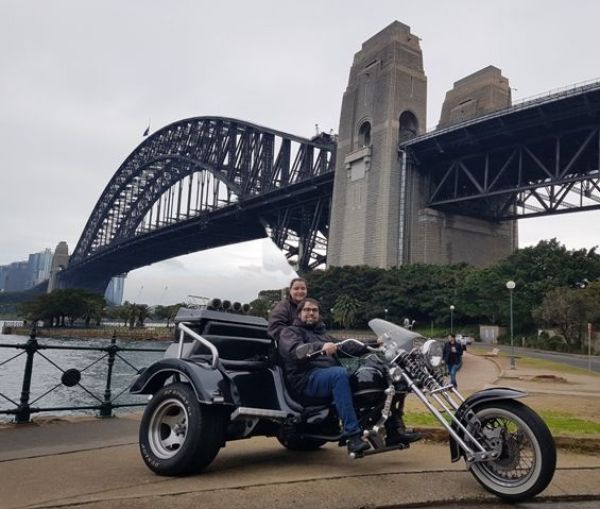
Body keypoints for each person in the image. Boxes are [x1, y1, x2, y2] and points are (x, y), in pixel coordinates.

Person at [278, 298, 420, 455]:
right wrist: (320, 347)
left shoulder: (323, 335)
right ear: (299, 313)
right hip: (305, 379)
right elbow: (294, 351)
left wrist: (375, 343)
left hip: (327, 376)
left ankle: (394, 431)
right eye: (307, 310)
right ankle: (353, 436)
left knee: (383, 372)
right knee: (338, 374)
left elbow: (347, 346)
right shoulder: (290, 332)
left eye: (314, 310)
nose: (311, 313)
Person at [267, 277, 308, 341]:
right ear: (290, 291)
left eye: (303, 288)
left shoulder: (311, 307)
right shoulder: (283, 307)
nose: (300, 291)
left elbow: (319, 328)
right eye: (296, 289)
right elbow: (275, 329)